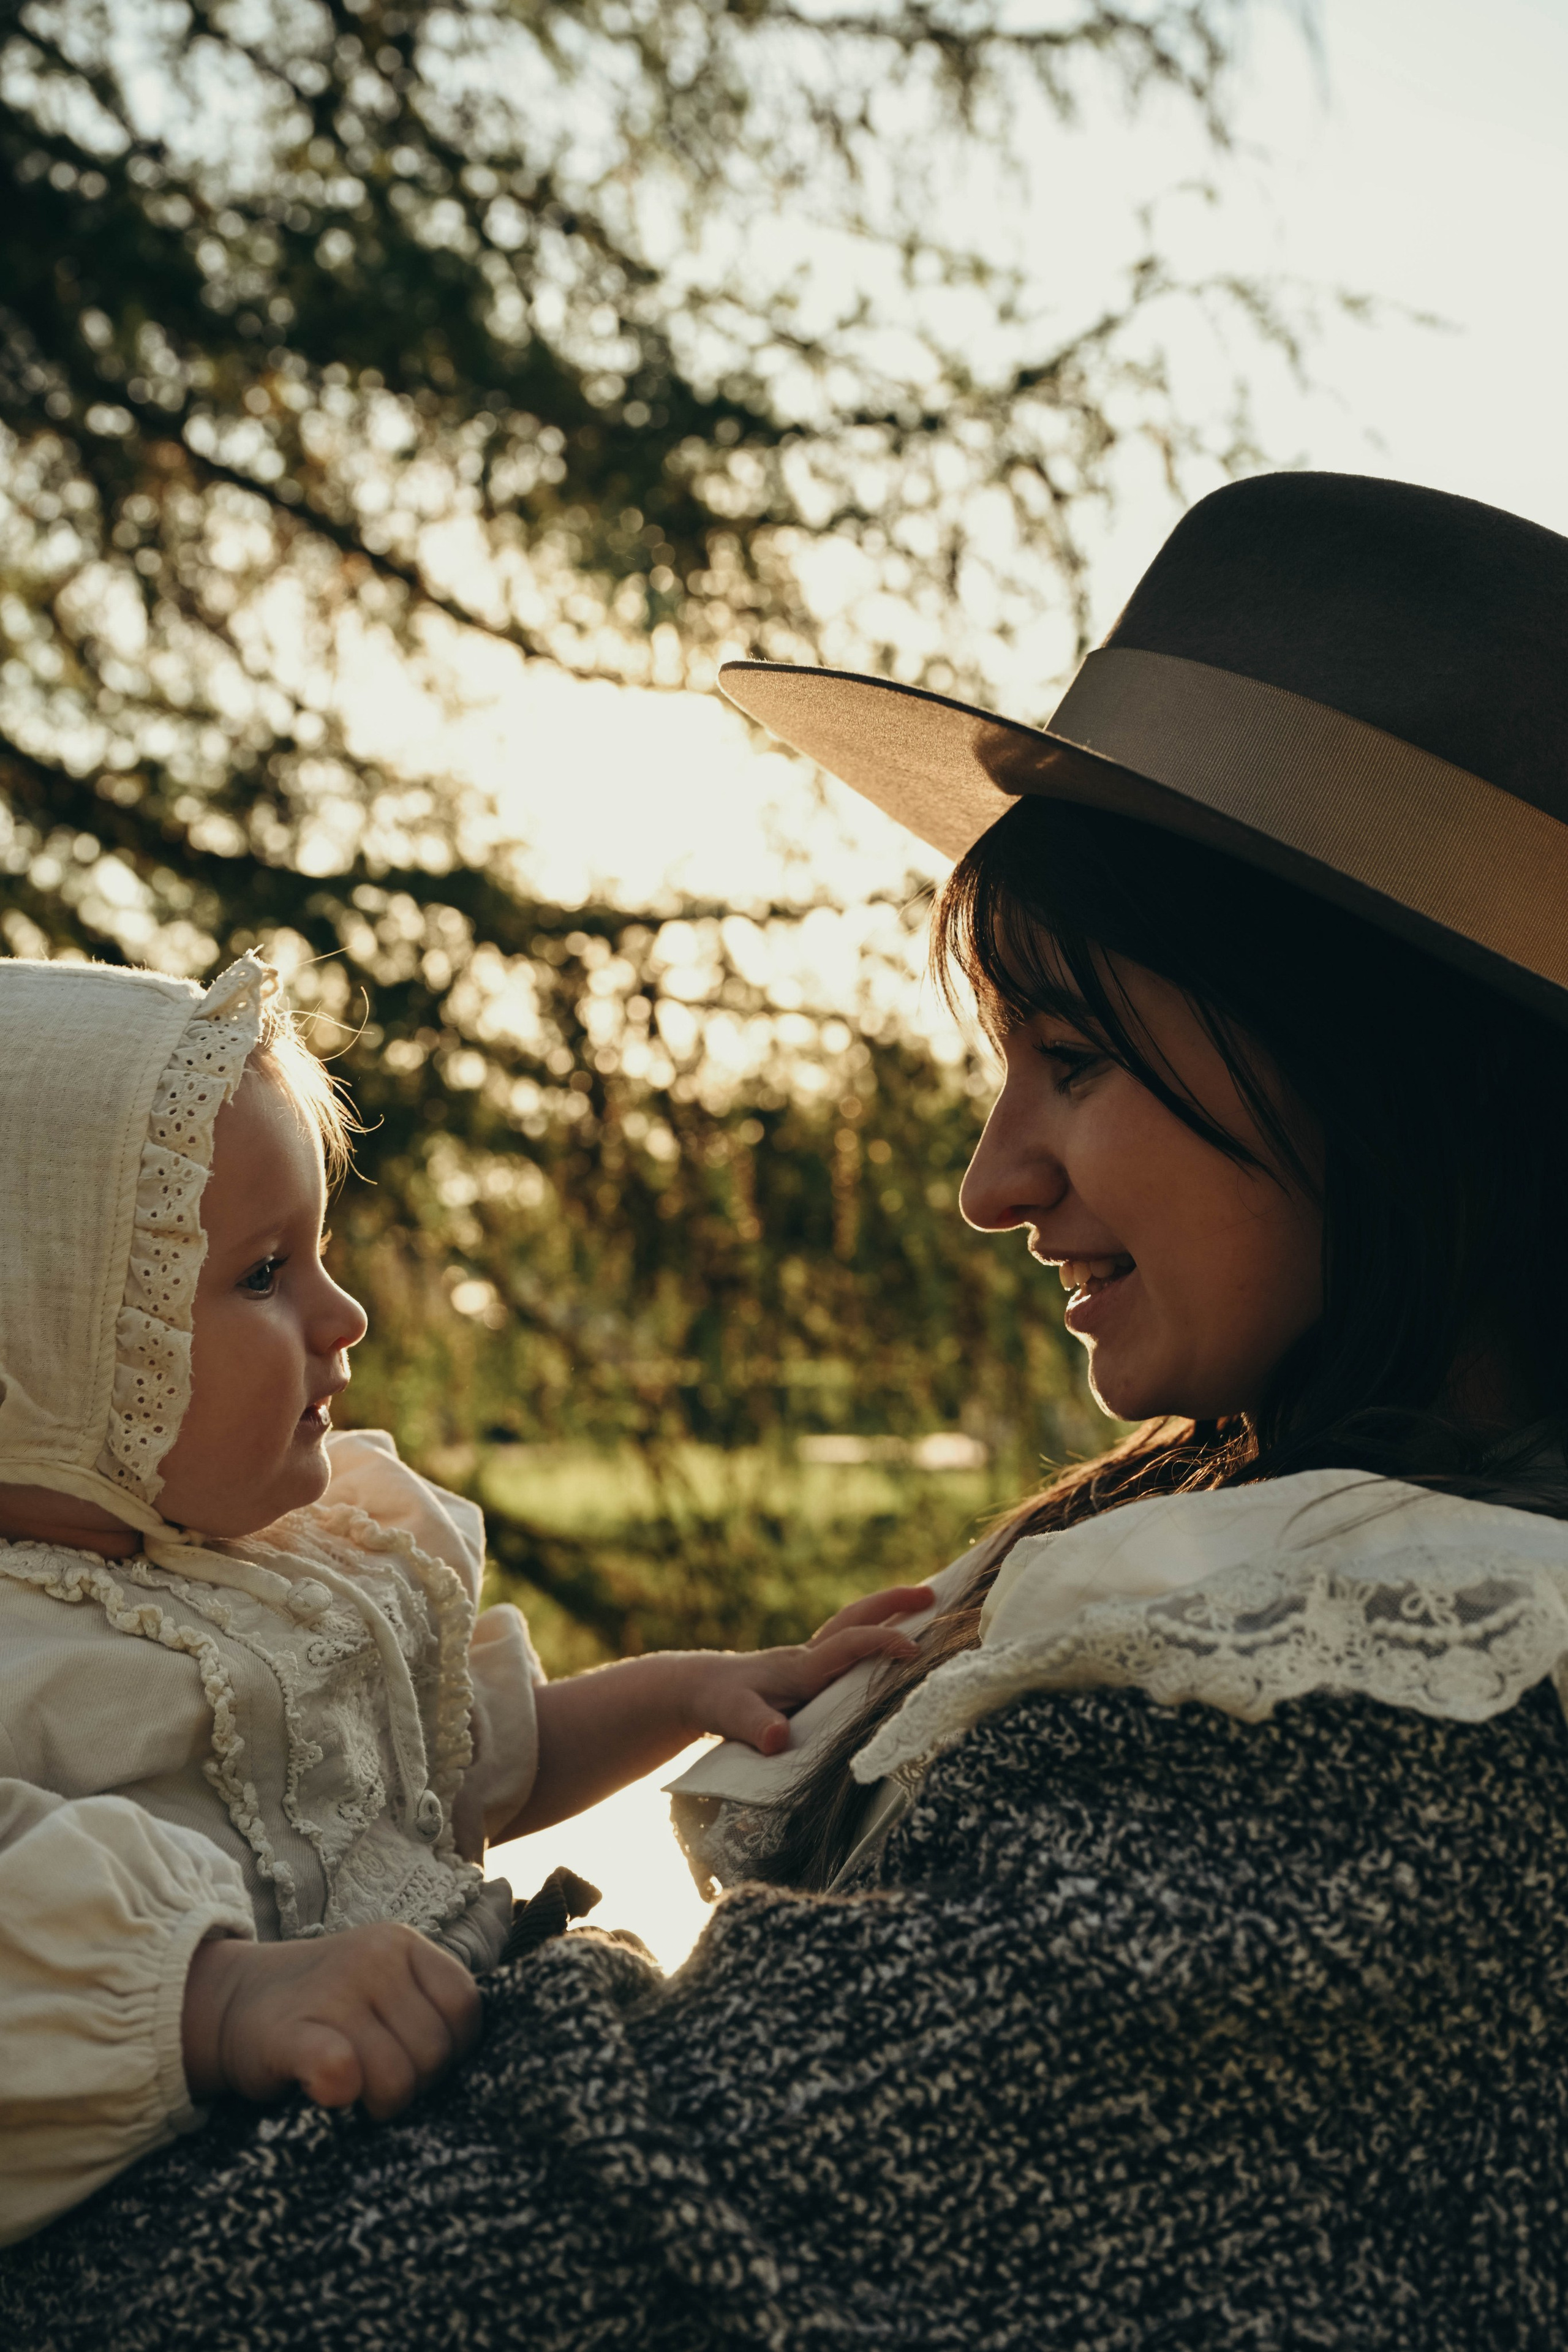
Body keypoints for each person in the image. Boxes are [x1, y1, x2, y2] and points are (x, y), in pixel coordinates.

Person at [7, 469, 1568, 2348]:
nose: (994, 1182)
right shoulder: (1281, 1552)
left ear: (1373, 1079)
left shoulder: (1391, 1731)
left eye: (1074, 1060)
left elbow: (551, 2267)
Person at [0, 951, 930, 2243]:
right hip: (276, 2205)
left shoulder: (311, 1563)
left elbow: (478, 1763)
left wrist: (695, 1687)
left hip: (486, 2063)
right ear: (50, 1347)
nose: (347, 1316)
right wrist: (218, 2004)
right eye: (264, 1275)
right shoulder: (25, 1658)